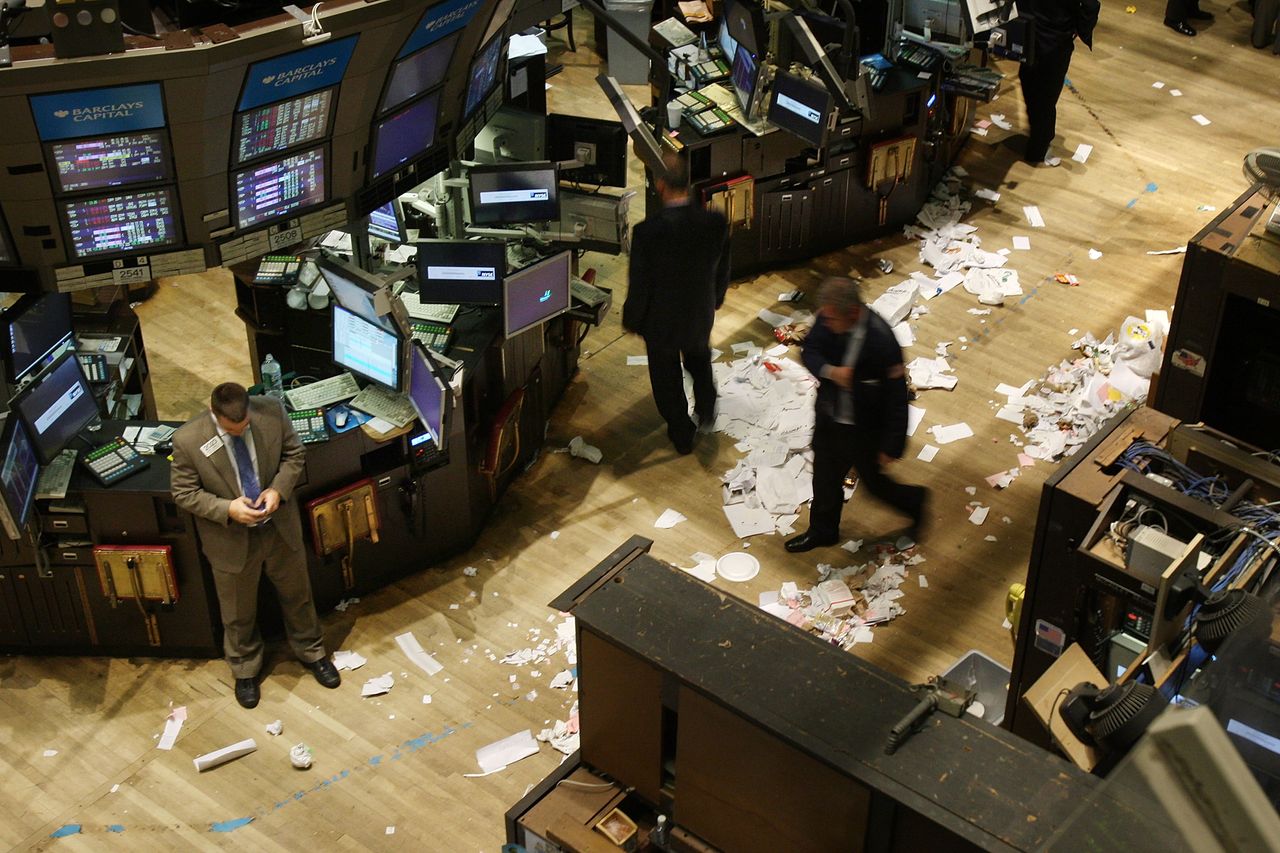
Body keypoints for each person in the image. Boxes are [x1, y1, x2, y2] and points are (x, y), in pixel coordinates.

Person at [171, 382, 339, 708]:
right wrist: (227, 509)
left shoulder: (272, 410)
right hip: (230, 539)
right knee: (237, 613)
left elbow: (294, 454)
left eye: (245, 425)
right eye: (232, 429)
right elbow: (184, 493)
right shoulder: (188, 440)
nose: (241, 431)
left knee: (298, 596)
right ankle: (245, 668)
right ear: (214, 415)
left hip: (279, 529)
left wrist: (277, 490)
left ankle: (312, 651)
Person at [785, 277, 928, 553]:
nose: (825, 325)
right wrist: (830, 371)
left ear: (852, 314)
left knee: (875, 486)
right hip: (830, 418)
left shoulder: (882, 341)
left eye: (831, 320)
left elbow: (897, 397)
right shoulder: (829, 320)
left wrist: (893, 444)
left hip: (866, 428)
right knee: (825, 478)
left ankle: (915, 501)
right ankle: (823, 531)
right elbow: (810, 350)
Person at [623, 152, 731, 454]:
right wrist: (716, 298)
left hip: (661, 322)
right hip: (698, 313)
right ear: (690, 183)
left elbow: (640, 285)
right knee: (699, 361)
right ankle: (707, 411)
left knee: (666, 379)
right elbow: (723, 267)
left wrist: (632, 319)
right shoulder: (714, 222)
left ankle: (682, 434)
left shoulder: (646, 233)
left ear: (660, 185)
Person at [1017, 0, 1100, 166]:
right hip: (1055, 40)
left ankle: (1038, 143)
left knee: (1029, 81)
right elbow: (1091, 6)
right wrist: (1079, 29)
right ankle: (1038, 147)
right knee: (1046, 94)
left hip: (1029, 33)